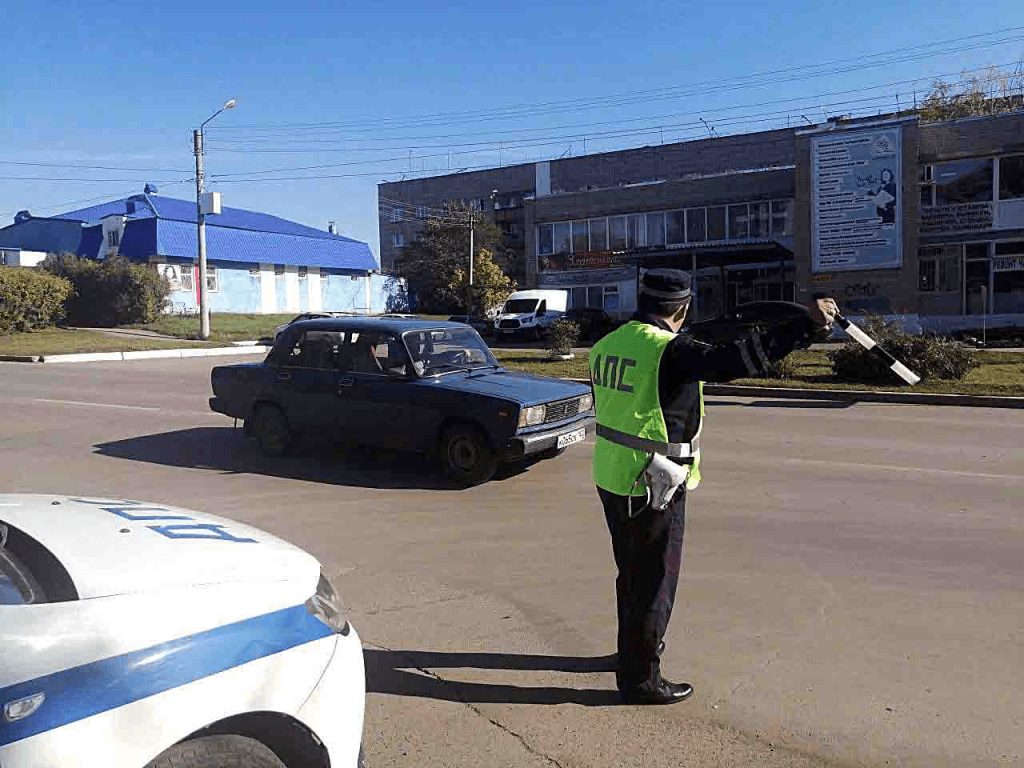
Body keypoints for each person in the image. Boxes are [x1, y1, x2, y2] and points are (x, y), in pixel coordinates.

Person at [588, 268, 839, 705]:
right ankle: (641, 678)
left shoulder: (610, 343)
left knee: (630, 573)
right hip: (653, 481)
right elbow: (737, 359)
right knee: (653, 580)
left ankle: (631, 652)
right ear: (682, 307)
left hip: (613, 475)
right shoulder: (670, 351)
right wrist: (803, 327)